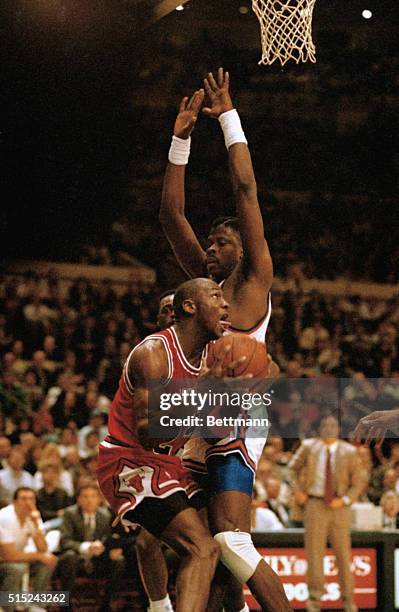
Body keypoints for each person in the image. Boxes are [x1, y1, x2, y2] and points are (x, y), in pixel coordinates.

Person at [160, 68, 290, 612]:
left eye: (220, 242)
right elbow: (170, 217)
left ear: (243, 248)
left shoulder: (254, 278)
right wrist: (181, 138)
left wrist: (228, 118)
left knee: (231, 541)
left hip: (240, 410)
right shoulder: (206, 290)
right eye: (209, 244)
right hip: (203, 410)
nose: (210, 250)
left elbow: (245, 189)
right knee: (203, 551)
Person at [97, 278, 238, 612]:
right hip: (131, 461)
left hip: (170, 464)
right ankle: (160, 606)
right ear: (189, 307)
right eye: (216, 296)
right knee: (201, 549)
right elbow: (150, 432)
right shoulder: (153, 354)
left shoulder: (208, 357)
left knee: (225, 539)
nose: (226, 304)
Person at [288, 415, 366, 612]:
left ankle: (349, 602)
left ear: (339, 429)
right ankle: (314, 603)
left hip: (340, 507)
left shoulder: (349, 451)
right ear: (319, 428)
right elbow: (291, 470)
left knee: (343, 555)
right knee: (314, 555)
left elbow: (359, 481)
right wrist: (297, 491)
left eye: (333, 425)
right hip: (315, 504)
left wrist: (346, 499)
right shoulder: (308, 446)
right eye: (325, 424)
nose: (329, 428)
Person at [57, 483, 125, 612]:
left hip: (98, 559)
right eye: (85, 496)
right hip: (77, 559)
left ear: (99, 499)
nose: (89, 500)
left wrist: (109, 550)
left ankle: (106, 604)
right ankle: (65, 604)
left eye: (93, 496)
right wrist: (86, 547)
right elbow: (64, 541)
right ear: (79, 499)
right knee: (69, 556)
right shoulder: (69, 514)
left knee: (119, 560)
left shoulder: (105, 515)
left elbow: (108, 539)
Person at [0, 487, 58, 612]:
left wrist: (36, 524)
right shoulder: (5, 517)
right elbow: (8, 556)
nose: (28, 503)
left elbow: (43, 548)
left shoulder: (32, 516)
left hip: (14, 559)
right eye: (23, 499)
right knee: (17, 568)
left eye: (31, 499)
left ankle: (37, 606)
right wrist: (39, 556)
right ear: (14, 502)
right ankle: (8, 608)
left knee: (45, 563)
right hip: (3, 561)